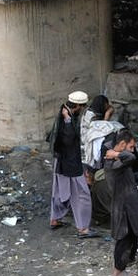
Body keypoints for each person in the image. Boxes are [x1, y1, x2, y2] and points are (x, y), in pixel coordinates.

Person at [47, 91, 95, 237]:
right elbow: (68, 140)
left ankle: (55, 219)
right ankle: (83, 228)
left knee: (60, 191)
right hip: (70, 164)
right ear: (78, 106)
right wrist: (68, 120)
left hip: (61, 162)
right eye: (83, 106)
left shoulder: (64, 113)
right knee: (82, 196)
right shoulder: (66, 118)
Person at [105, 130, 138, 276]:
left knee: (133, 233)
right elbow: (131, 157)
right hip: (123, 206)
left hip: (129, 203)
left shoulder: (118, 159)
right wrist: (116, 154)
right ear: (122, 144)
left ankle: (130, 258)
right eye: (131, 146)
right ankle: (117, 272)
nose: (133, 149)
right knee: (124, 237)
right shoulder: (114, 162)